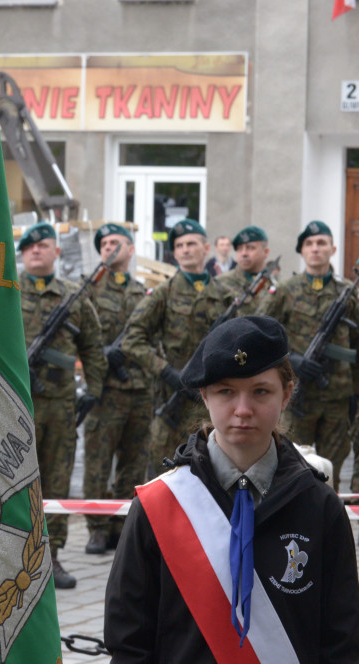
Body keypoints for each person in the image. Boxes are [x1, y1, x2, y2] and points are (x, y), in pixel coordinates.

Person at [104, 316, 359, 664]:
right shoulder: (160, 505)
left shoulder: (319, 507)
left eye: (261, 391)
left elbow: (342, 644)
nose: (243, 410)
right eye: (225, 391)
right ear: (204, 395)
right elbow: (129, 641)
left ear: (287, 393)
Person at [18, 222, 106, 588]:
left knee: (54, 481)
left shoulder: (73, 295)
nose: (36, 250)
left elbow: (93, 347)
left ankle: (50, 557)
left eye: (44, 245)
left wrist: (93, 391)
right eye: (29, 246)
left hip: (60, 405)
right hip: (14, 403)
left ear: (57, 252)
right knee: (14, 482)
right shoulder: (6, 292)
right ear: (22, 254)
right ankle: (11, 557)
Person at [123, 218, 234, 476]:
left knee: (215, 474)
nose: (185, 249)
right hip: (173, 403)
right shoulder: (164, 293)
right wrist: (166, 372)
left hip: (213, 403)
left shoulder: (226, 295)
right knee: (164, 476)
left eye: (191, 243)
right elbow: (132, 339)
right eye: (179, 245)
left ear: (206, 249)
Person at [257, 220, 359, 491]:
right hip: (295, 394)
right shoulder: (285, 290)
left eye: (322, 243)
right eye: (310, 244)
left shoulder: (347, 294)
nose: (316, 248)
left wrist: (355, 394)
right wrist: (293, 360)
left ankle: (329, 524)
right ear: (302, 251)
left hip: (336, 397)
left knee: (332, 469)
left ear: (333, 249)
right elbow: (260, 331)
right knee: (290, 463)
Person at [81, 224, 150, 554]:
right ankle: (96, 528)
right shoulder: (89, 291)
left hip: (138, 389)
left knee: (133, 464)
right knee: (97, 462)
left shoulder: (143, 293)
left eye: (115, 242)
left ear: (131, 249)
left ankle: (123, 525)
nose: (108, 248)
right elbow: (78, 336)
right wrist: (100, 355)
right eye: (103, 244)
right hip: (105, 389)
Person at [216, 225, 273, 316]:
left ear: (266, 252)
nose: (244, 253)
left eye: (250, 248)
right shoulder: (220, 283)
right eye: (239, 249)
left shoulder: (277, 285)